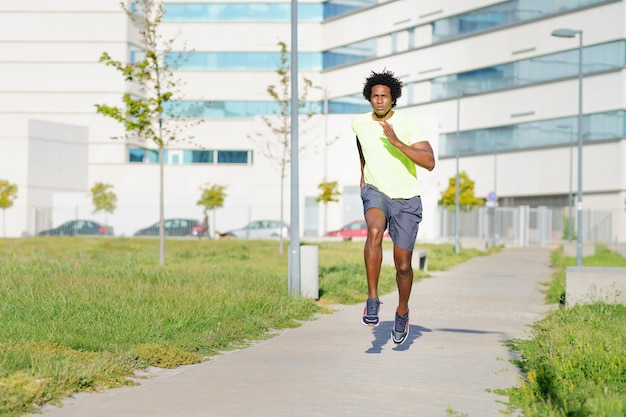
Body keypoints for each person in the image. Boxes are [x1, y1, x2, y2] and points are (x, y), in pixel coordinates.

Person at [352, 69, 435, 345]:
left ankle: (402, 312)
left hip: (406, 199)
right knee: (374, 231)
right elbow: (363, 147)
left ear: (393, 98)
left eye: (384, 96)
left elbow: (429, 162)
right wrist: (363, 174)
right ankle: (373, 298)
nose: (379, 100)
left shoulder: (409, 123)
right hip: (377, 192)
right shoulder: (359, 123)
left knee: (402, 266)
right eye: (374, 96)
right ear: (369, 98)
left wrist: (397, 142)